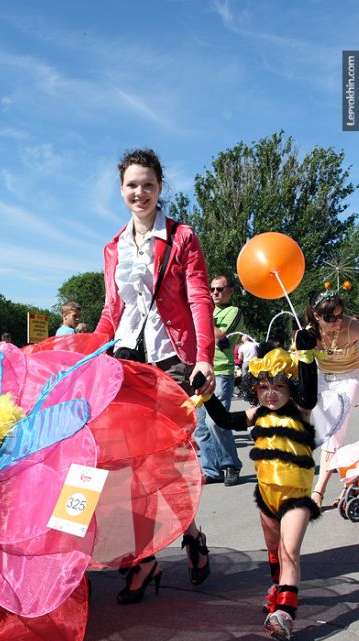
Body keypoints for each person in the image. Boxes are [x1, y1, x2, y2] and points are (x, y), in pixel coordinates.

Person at [95, 148, 215, 602]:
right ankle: (144, 558)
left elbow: (199, 298)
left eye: (147, 184)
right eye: (131, 185)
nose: (139, 192)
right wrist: (90, 356)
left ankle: (191, 538)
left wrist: (204, 357)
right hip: (126, 361)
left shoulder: (182, 237)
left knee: (163, 463)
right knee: (127, 467)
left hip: (173, 360)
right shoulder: (113, 246)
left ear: (160, 187)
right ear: (121, 190)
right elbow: (112, 310)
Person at [202, 331, 319, 640]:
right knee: (273, 550)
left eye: (279, 386)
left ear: (290, 387)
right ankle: (278, 588)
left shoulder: (301, 411)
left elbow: (309, 395)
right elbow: (226, 420)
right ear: (255, 388)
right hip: (266, 495)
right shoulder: (259, 413)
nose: (271, 393)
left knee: (289, 550)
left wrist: (306, 356)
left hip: (296, 498)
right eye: (264, 386)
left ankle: (285, 613)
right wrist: (206, 394)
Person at [303, 289, 359, 507]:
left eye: (340, 315)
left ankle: (319, 490)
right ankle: (351, 480)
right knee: (319, 432)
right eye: (330, 318)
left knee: (334, 431)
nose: (337, 321)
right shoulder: (308, 332)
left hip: (352, 377)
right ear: (316, 316)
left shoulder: (353, 327)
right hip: (323, 380)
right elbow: (303, 365)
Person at [194, 274, 243, 485]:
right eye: (212, 289)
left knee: (216, 421)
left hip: (221, 372)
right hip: (200, 371)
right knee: (200, 426)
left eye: (220, 289)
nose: (215, 293)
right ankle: (211, 469)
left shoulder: (234, 312)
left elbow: (219, 335)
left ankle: (230, 464)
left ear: (230, 291)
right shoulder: (206, 310)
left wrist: (202, 313)